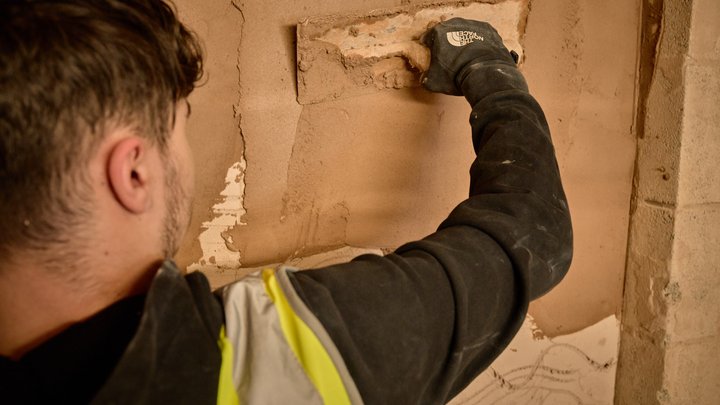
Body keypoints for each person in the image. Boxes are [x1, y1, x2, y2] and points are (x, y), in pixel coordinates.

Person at [0, 0, 572, 403]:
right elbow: (531, 234)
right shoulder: (284, 354)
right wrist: (487, 70)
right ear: (132, 171)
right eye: (179, 127)